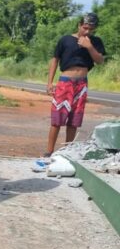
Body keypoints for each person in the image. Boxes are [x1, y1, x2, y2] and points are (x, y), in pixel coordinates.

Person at [44, 12, 105, 157]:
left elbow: (100, 60)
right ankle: (49, 151)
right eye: (85, 28)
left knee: (74, 120)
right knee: (57, 119)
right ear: (79, 25)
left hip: (82, 84)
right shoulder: (65, 40)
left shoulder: (95, 42)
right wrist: (50, 82)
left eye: (91, 29)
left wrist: (89, 47)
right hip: (65, 82)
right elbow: (55, 60)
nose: (87, 31)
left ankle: (67, 152)